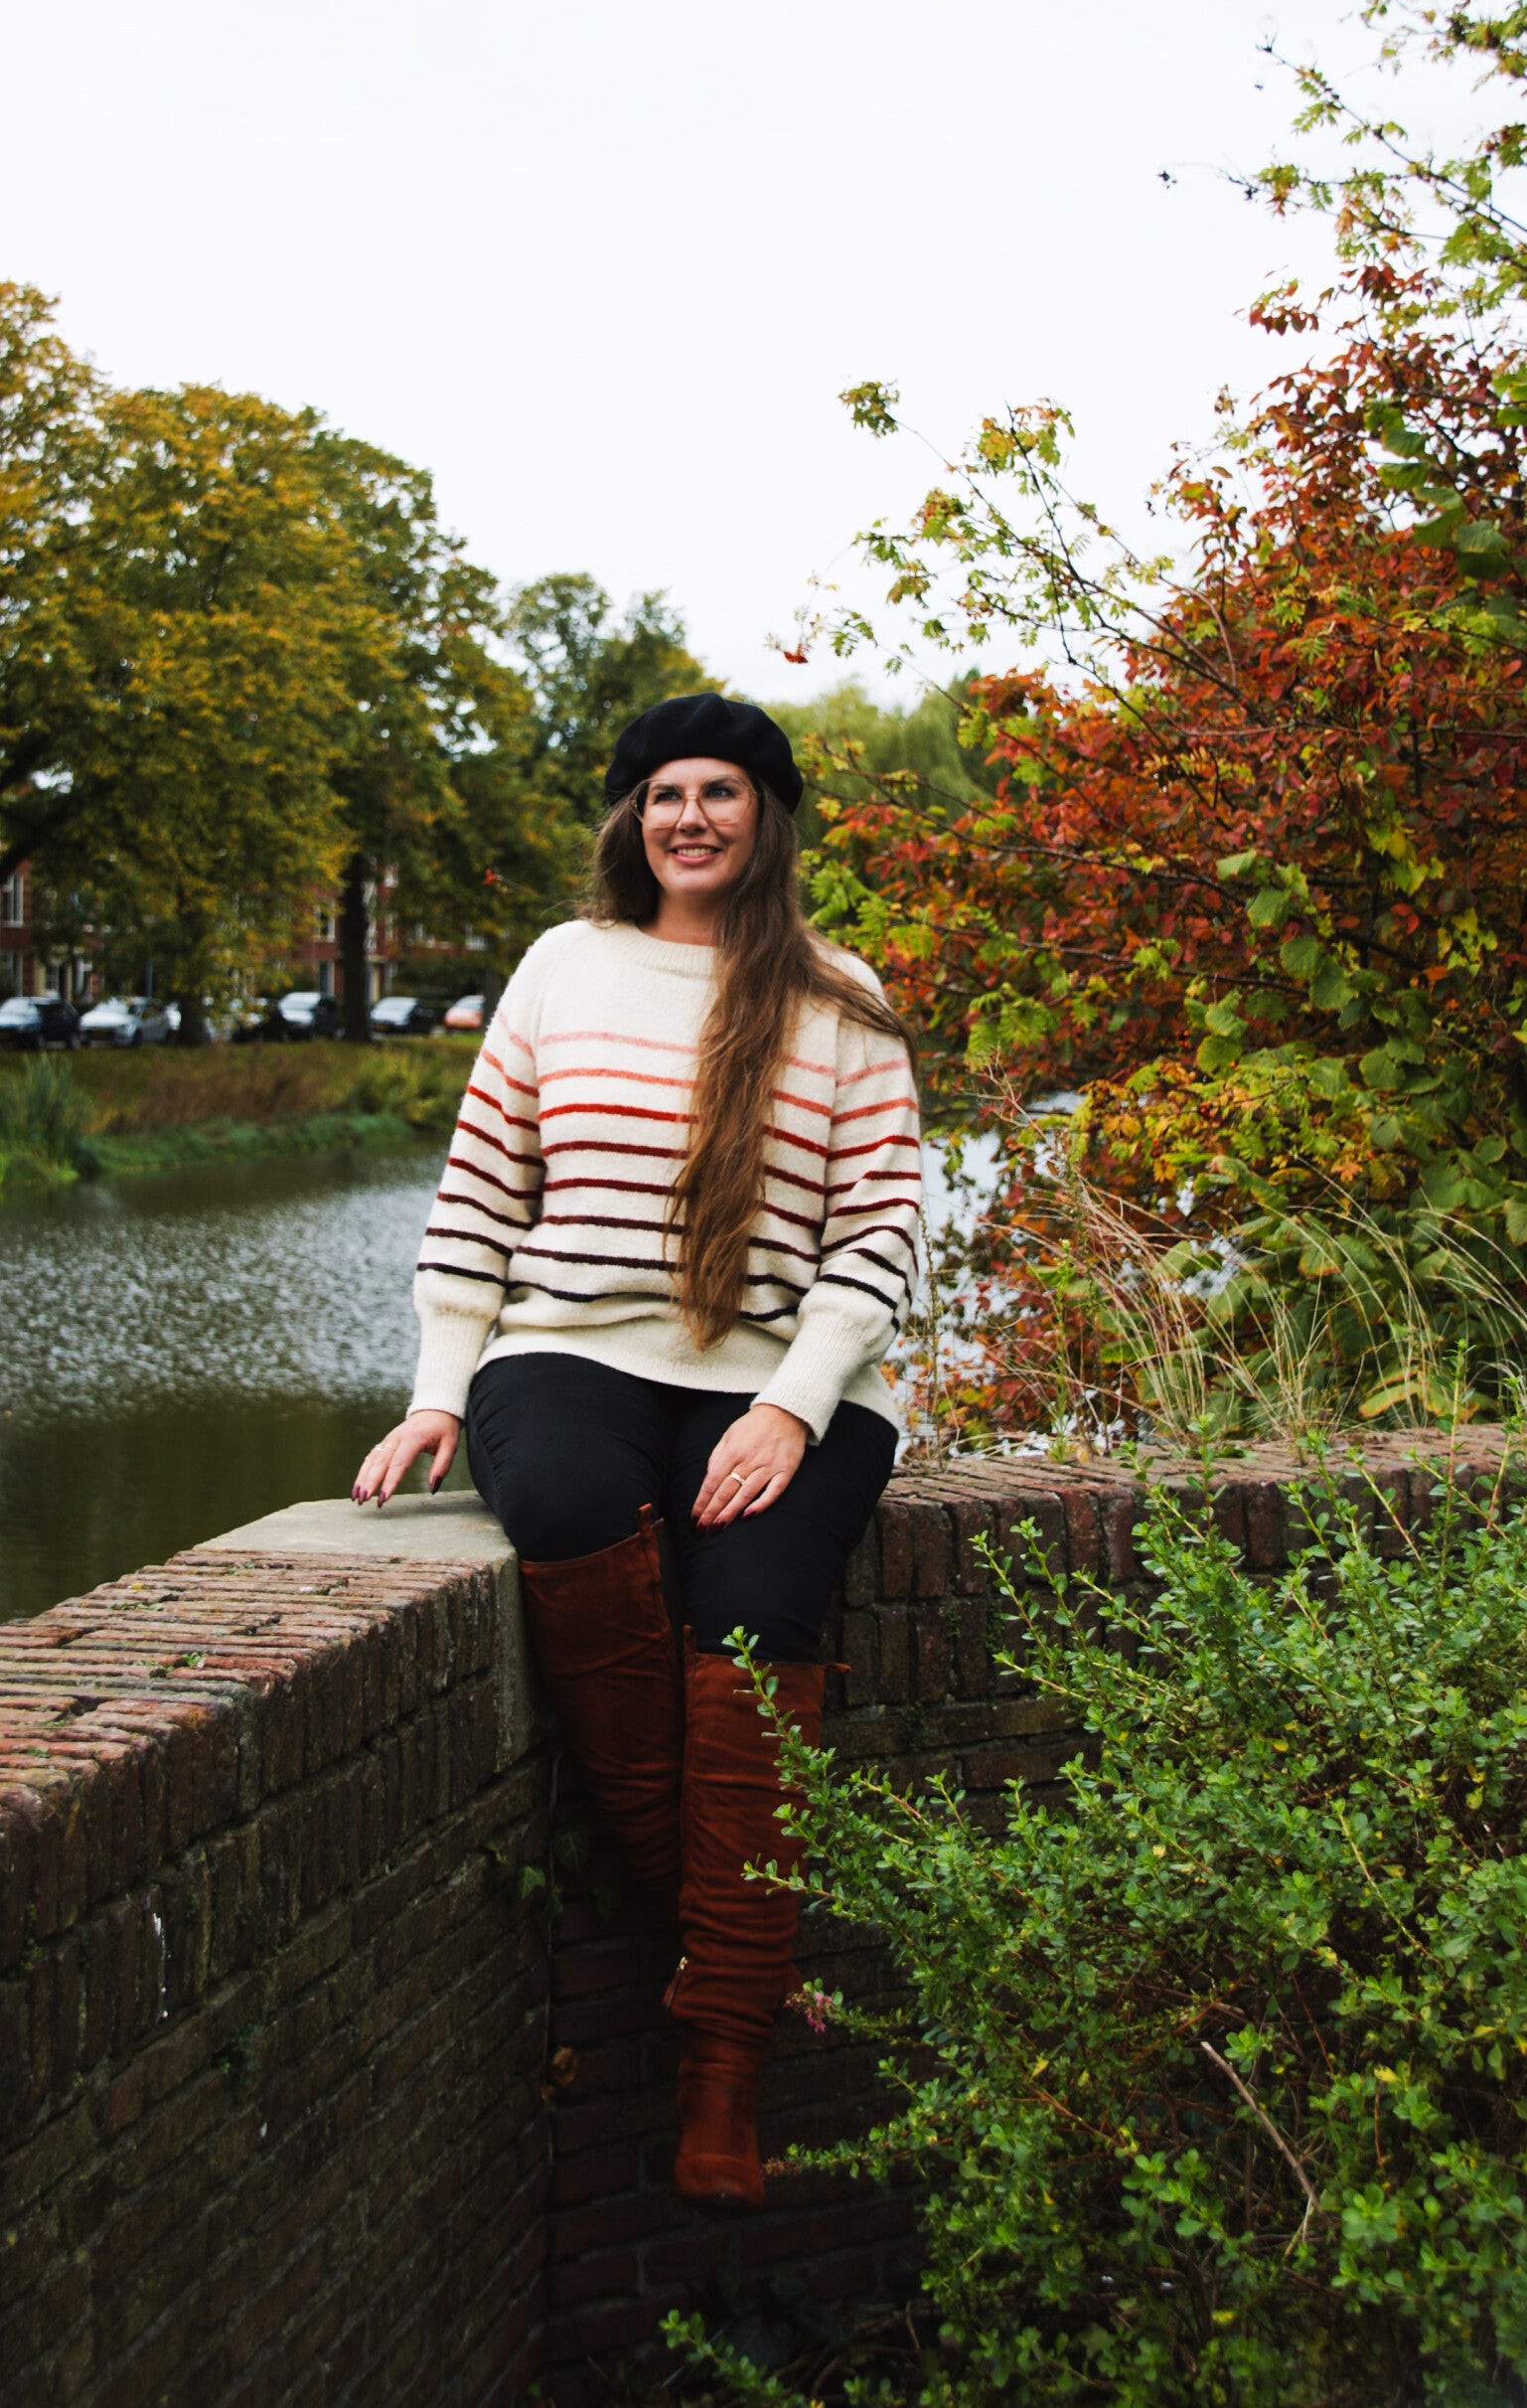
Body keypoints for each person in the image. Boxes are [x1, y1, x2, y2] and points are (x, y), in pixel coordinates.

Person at [353, 692, 923, 2210]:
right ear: (632, 818)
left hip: (780, 1372)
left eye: (720, 791)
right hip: (569, 1350)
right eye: (664, 792)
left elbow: (881, 1232)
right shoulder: (565, 963)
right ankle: (729, 1955)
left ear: (766, 819)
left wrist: (794, 1403)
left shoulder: (841, 996)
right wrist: (437, 1386)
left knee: (756, 1605)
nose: (690, 816)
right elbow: (483, 1187)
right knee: (560, 1498)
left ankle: (722, 2069)